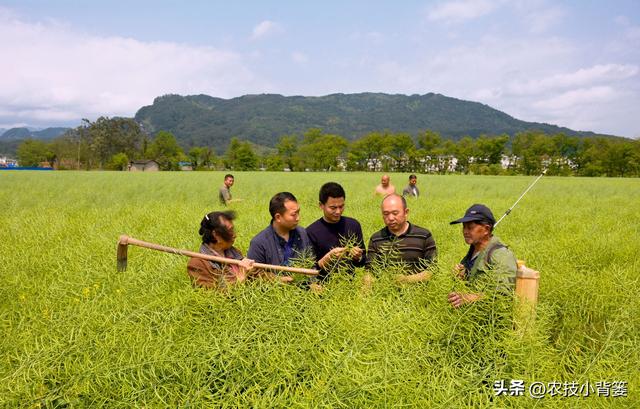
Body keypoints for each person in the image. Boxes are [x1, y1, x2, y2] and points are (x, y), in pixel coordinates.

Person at [447, 204, 517, 308]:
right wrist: (461, 275)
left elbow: (503, 294)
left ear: (486, 229)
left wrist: (468, 298)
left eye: (470, 227)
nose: (465, 232)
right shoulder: (473, 251)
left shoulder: (501, 255)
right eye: (464, 227)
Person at [366, 194, 437, 283]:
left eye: (395, 213)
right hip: (386, 293)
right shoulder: (376, 238)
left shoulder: (424, 235)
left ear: (406, 212)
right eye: (386, 214)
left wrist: (407, 280)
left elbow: (432, 270)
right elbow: (370, 272)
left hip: (417, 294)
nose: (390, 218)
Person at [306, 182, 366, 281]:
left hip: (349, 286)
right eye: (333, 208)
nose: (338, 211)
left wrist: (357, 257)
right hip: (322, 288)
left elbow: (362, 262)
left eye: (341, 206)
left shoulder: (353, 225)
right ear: (321, 205)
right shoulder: (310, 232)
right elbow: (309, 270)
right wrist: (328, 258)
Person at [247, 192, 311, 281]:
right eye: (293, 214)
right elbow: (253, 275)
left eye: (298, 212)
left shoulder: (302, 233)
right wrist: (277, 280)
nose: (298, 218)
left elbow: (310, 263)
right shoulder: (259, 243)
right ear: (278, 217)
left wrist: (312, 283)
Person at [187, 211, 255, 290]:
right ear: (216, 235)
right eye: (230, 231)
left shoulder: (234, 252)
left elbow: (255, 275)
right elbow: (211, 297)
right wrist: (240, 278)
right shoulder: (197, 264)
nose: (235, 235)